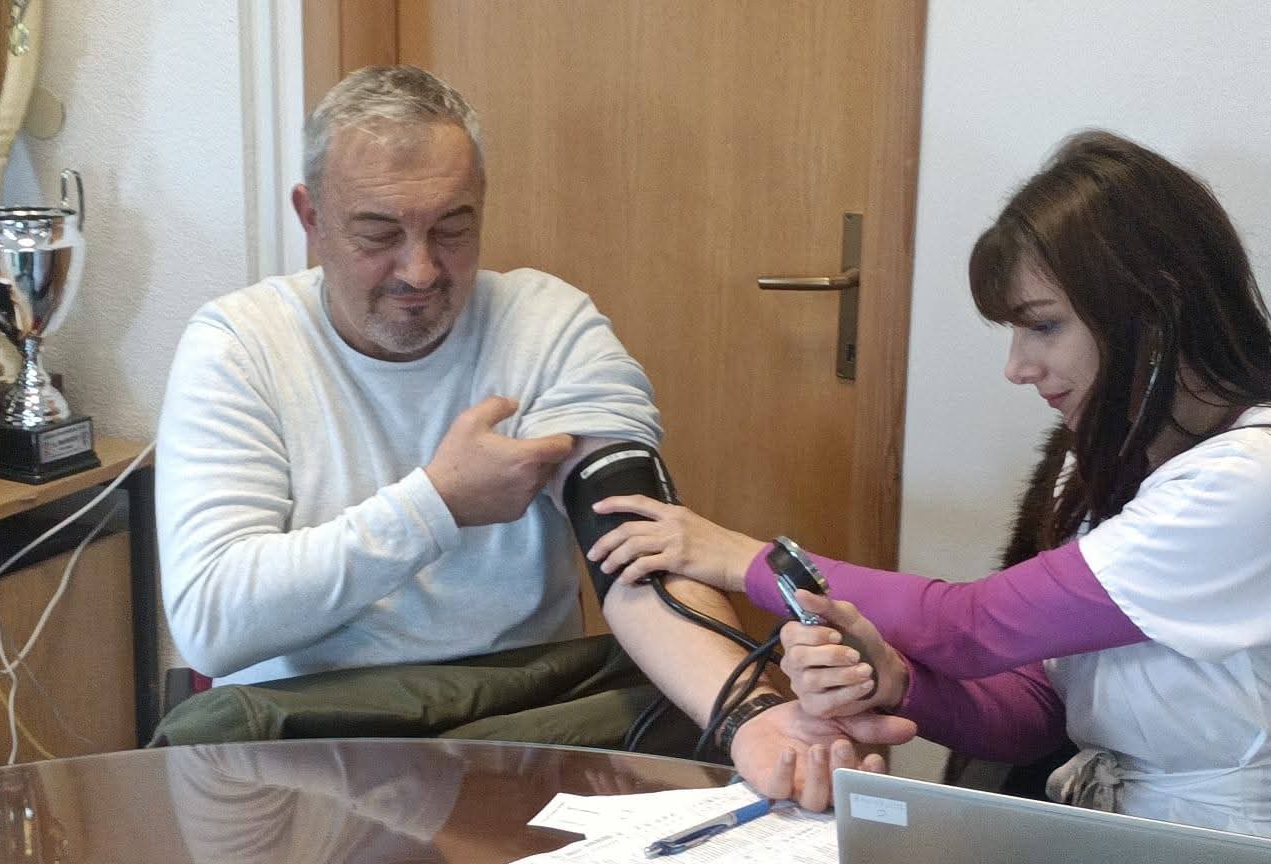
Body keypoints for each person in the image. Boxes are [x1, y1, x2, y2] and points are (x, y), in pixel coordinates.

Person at [587, 131, 1271, 855]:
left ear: (1155, 306)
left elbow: (972, 626)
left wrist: (743, 560)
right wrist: (895, 681)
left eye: (1043, 326)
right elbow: (1034, 711)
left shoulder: (1265, 476)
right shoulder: (1103, 462)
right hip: (1123, 837)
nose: (1017, 366)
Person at [154, 65, 911, 806]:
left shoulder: (547, 327)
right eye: (378, 234)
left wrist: (749, 716)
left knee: (693, 716)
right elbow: (213, 625)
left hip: (522, 713)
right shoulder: (238, 346)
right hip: (312, 736)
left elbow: (641, 553)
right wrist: (435, 505)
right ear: (311, 217)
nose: (420, 270)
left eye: (452, 229)